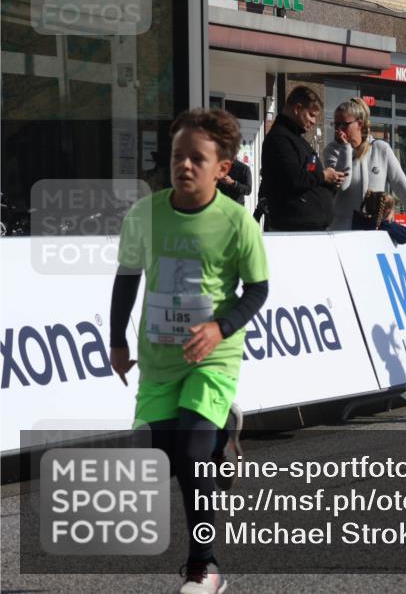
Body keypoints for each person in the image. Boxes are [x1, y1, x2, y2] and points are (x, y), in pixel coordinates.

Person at [110, 108, 269, 594]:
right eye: (178, 156)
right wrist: (116, 341)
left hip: (211, 358)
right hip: (159, 360)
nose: (184, 166)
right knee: (164, 458)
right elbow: (127, 280)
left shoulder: (237, 222)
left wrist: (221, 329)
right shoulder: (146, 213)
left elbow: (257, 291)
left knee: (192, 454)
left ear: (223, 168)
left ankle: (206, 567)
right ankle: (223, 437)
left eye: (197, 159)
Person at [325, 97, 406, 237]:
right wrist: (345, 148)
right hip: (343, 231)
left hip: (374, 230)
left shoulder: (380, 148)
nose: (338, 130)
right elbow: (343, 185)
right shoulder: (332, 150)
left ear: (359, 124)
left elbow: (402, 186)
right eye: (335, 125)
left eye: (343, 125)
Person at [259, 86, 346, 231]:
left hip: (308, 228)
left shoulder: (297, 140)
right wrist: (324, 176)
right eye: (311, 115)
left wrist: (329, 183)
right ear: (297, 108)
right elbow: (294, 179)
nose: (313, 121)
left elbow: (308, 177)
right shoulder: (279, 139)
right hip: (293, 232)